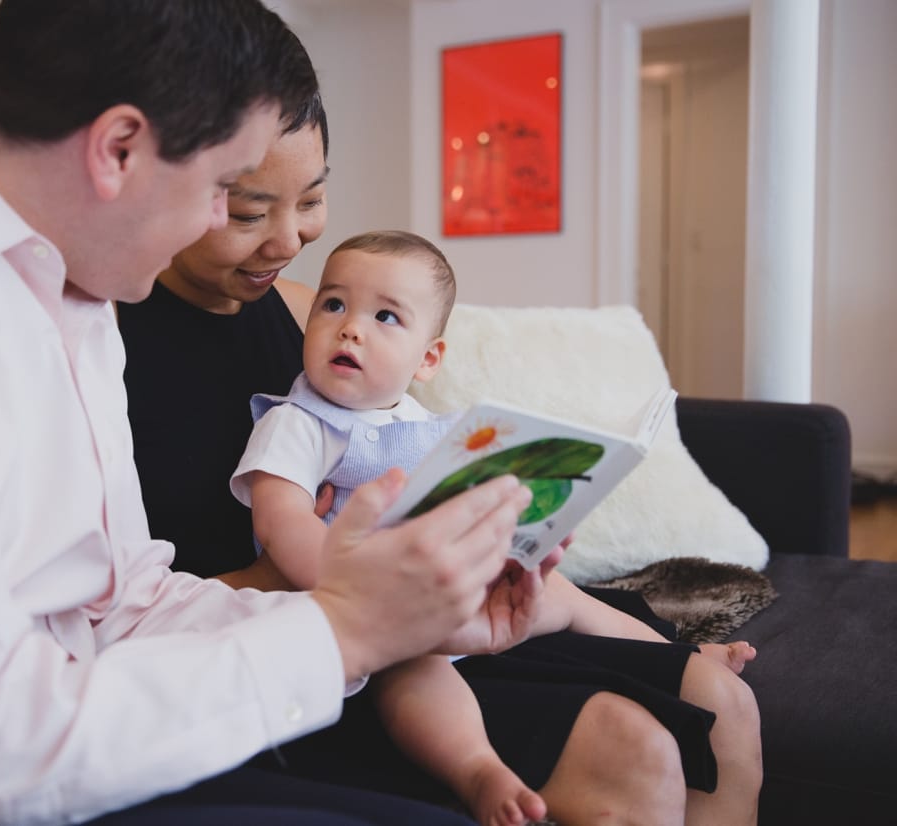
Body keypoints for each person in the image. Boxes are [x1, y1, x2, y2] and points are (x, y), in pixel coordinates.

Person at [0, 3, 541, 825]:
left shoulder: (66, 283)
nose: (218, 225)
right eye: (226, 189)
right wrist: (345, 632)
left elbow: (122, 602)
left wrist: (391, 612)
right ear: (118, 148)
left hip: (62, 730)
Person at [118, 117, 764, 824]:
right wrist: (352, 576)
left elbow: (411, 441)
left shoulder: (307, 312)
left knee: (724, 702)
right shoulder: (108, 350)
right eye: (248, 211)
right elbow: (112, 608)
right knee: (635, 752)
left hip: (437, 605)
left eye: (309, 201)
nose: (287, 242)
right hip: (301, 642)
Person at [230, 229, 758, 825]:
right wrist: (358, 585)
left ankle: (676, 651)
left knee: (558, 590)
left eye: (385, 316)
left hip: (451, 581)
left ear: (427, 359)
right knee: (416, 667)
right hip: (372, 611)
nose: (352, 327)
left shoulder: (428, 424)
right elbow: (281, 525)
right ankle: (477, 767)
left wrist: (523, 524)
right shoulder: (298, 422)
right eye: (333, 305)